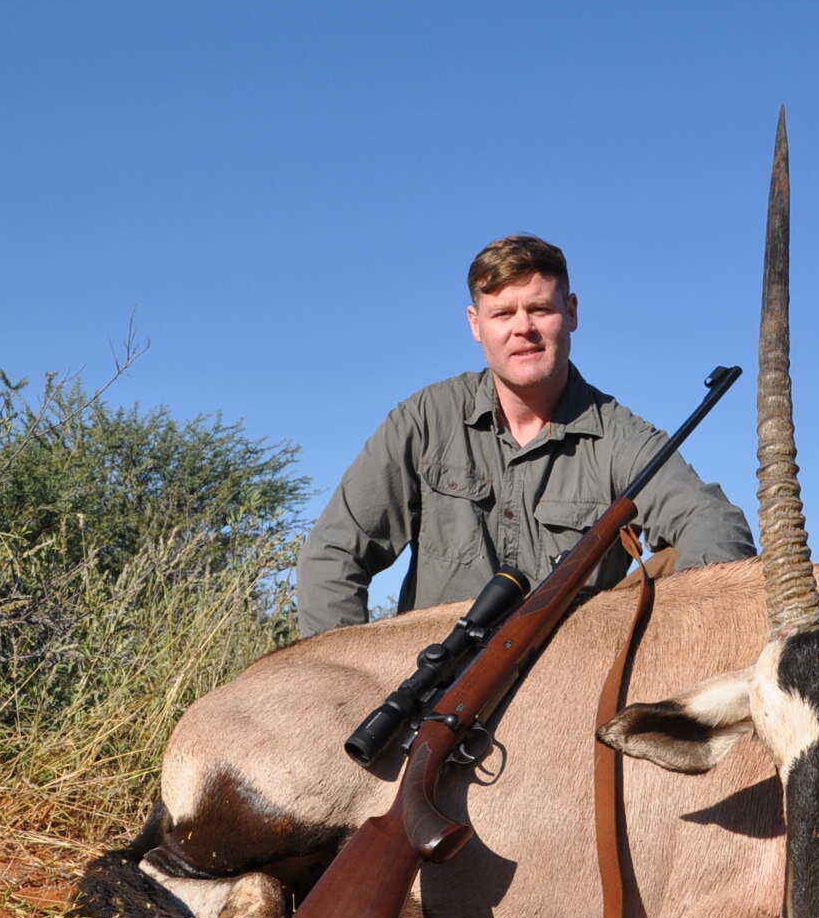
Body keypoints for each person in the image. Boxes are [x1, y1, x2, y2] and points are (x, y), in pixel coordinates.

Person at [296, 235, 755, 636]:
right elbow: (334, 554)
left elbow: (718, 530)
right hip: (433, 681)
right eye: (503, 313)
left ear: (570, 313)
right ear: (476, 324)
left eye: (540, 309)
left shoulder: (621, 436)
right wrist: (350, 685)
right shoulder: (425, 419)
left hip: (566, 686)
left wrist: (659, 646)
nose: (523, 328)